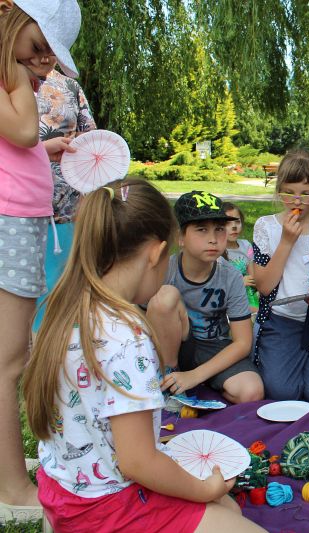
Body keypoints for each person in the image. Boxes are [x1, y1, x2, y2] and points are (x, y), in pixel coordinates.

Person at [23, 179, 266, 532]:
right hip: (107, 508)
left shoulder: (66, 305)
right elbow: (138, 462)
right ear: (157, 253)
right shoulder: (126, 336)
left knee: (229, 507)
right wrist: (202, 488)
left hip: (63, 490)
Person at [0, 0, 81, 522]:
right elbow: (24, 132)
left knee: (9, 357)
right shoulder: (10, 71)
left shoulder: (13, 75)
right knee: (8, 361)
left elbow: (21, 144)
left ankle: (7, 467)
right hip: (12, 222)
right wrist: (20, 73)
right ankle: (11, 486)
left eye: (52, 53)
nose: (46, 60)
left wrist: (43, 152)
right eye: (41, 45)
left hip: (21, 220)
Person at [146, 191, 264, 404]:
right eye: (201, 230)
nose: (212, 239)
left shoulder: (231, 276)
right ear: (180, 237)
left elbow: (243, 342)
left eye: (219, 229)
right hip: (174, 345)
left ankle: (202, 380)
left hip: (214, 345)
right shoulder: (165, 269)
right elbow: (139, 313)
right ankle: (168, 377)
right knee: (166, 296)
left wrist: (196, 375)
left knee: (252, 391)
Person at [251, 150, 309, 405]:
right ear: (279, 190)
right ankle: (286, 360)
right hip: (281, 321)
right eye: (289, 192)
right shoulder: (266, 226)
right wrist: (287, 241)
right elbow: (265, 287)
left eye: (306, 193)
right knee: (282, 393)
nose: (297, 201)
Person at [31, 62, 97, 331]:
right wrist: (42, 149)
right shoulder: (8, 82)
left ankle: (59, 343)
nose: (45, 56)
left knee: (63, 279)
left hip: (68, 204)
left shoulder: (69, 85)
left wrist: (82, 142)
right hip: (18, 202)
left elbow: (91, 134)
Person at [221, 202, 258, 312]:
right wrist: (239, 282)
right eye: (227, 223)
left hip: (249, 294)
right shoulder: (216, 251)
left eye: (237, 221)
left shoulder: (246, 245)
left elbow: (253, 276)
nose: (234, 226)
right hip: (227, 298)